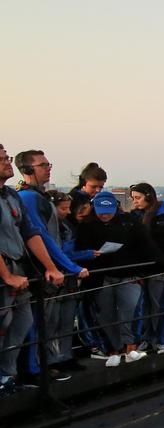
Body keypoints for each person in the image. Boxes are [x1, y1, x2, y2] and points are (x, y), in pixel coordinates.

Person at [15, 150, 91, 375]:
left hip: (46, 270)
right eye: (43, 165)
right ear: (28, 170)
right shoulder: (29, 198)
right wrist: (70, 266)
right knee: (39, 324)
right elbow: (41, 236)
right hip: (42, 272)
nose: (48, 168)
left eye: (48, 164)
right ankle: (33, 370)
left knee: (45, 323)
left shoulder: (34, 196)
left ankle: (40, 366)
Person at [0, 144, 65, 395]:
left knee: (22, 323)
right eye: (3, 159)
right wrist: (6, 275)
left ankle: (7, 376)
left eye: (8, 158)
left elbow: (30, 232)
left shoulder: (11, 196)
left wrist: (50, 267)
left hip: (19, 272)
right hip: (6, 275)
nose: (8, 162)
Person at [74, 191, 160, 366]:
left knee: (130, 309)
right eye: (101, 211)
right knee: (106, 314)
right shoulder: (85, 226)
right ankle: (114, 348)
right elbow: (77, 250)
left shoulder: (128, 222)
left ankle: (130, 347)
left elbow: (145, 243)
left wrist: (158, 263)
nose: (105, 214)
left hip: (126, 273)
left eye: (109, 211)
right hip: (100, 277)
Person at [129, 183, 164, 353]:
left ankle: (160, 339)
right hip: (145, 267)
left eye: (138, 198)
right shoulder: (137, 215)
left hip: (158, 267)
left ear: (148, 196)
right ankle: (149, 338)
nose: (135, 202)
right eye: (133, 198)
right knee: (145, 306)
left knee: (159, 305)